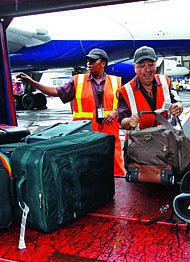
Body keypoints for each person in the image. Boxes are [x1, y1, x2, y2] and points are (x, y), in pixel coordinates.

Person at [16, 48, 125, 176]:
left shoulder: (115, 82)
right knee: (86, 172)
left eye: (93, 61)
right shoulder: (78, 81)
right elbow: (55, 92)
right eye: (88, 61)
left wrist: (115, 113)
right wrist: (32, 83)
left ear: (103, 64)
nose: (89, 63)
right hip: (85, 137)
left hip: (109, 136)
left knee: (115, 171)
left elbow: (124, 106)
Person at [118, 46, 183, 130]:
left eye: (151, 65)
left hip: (165, 139)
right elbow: (123, 123)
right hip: (139, 141)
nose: (148, 69)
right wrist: (131, 121)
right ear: (135, 67)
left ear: (156, 65)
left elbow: (178, 102)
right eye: (142, 66)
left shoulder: (166, 81)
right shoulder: (125, 91)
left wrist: (178, 107)